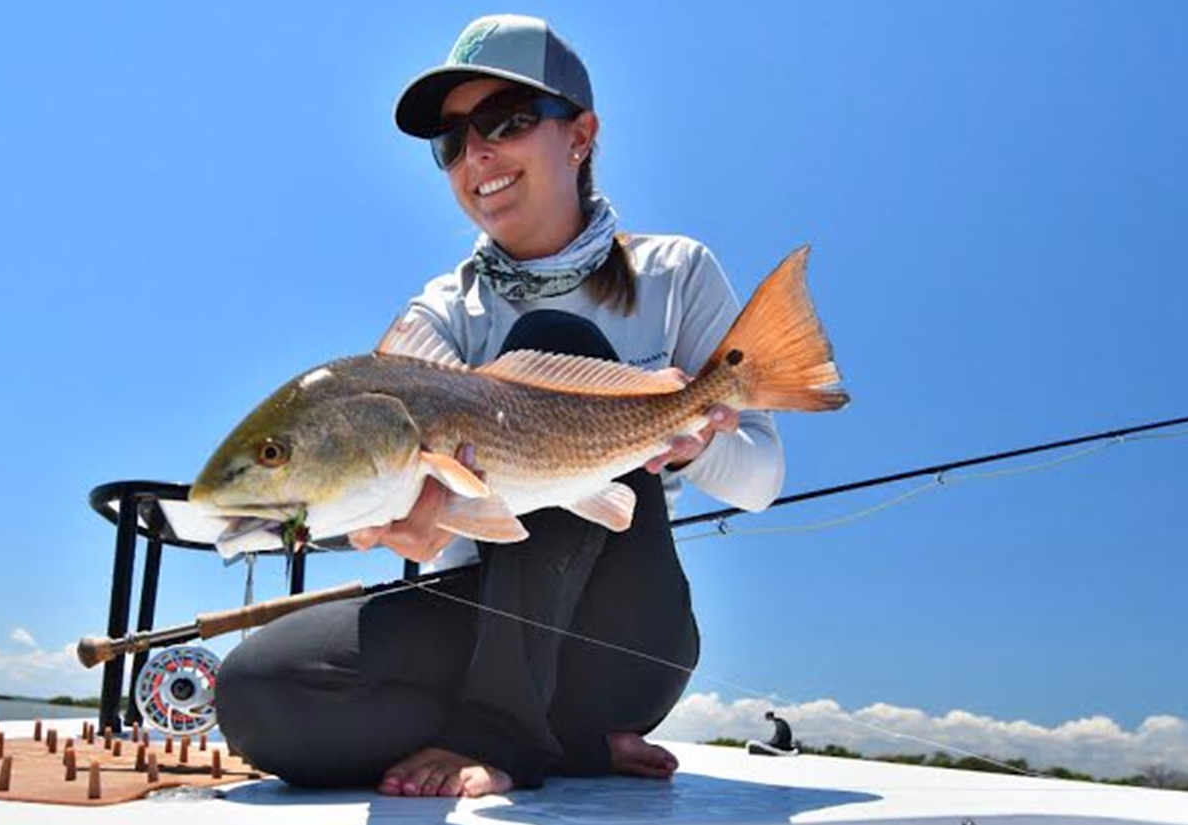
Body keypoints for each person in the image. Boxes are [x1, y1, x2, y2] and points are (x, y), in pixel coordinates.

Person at [214, 14, 785, 798]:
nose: (475, 155)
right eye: (451, 141)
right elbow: (413, 502)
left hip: (624, 635)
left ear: (580, 135)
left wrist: (695, 440)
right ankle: (571, 743)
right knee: (260, 692)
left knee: (556, 337)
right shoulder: (442, 310)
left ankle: (504, 731)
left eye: (507, 120)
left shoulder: (676, 271)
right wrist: (397, 522)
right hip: (480, 618)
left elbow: (762, 479)